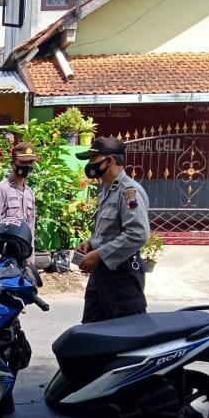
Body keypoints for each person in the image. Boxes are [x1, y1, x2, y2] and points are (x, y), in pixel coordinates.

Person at [75, 136, 150, 323]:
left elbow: (137, 234)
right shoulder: (107, 190)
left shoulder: (129, 192)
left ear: (109, 160)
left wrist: (99, 255)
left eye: (93, 159)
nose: (91, 165)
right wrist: (91, 244)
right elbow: (108, 230)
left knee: (126, 334)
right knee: (92, 333)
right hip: (101, 274)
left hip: (122, 276)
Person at [0, 141, 39, 257]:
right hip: (4, 255)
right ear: (13, 163)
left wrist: (30, 259)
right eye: (23, 162)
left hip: (23, 256)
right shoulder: (0, 190)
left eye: (31, 162)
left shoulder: (29, 193)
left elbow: (30, 229)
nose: (27, 166)